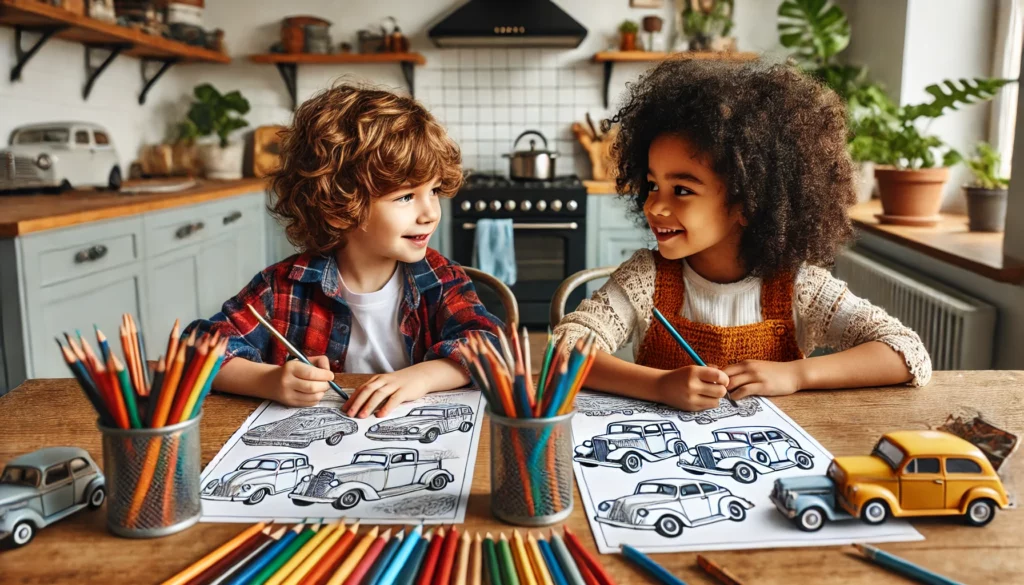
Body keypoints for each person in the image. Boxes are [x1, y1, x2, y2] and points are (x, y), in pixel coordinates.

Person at [553, 60, 931, 412]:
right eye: (652, 185)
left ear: (747, 205)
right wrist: (658, 386)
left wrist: (796, 376)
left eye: (681, 190)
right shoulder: (644, 280)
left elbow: (906, 352)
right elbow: (563, 350)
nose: (654, 206)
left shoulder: (799, 286)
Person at [187, 84, 501, 417]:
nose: (430, 213)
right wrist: (268, 380)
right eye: (406, 197)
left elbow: (490, 347)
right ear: (341, 204)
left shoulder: (440, 280)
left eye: (434, 190)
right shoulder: (283, 287)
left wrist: (423, 376)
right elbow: (197, 350)